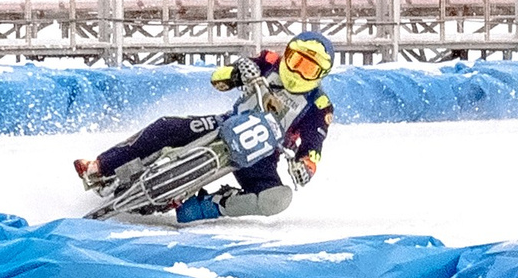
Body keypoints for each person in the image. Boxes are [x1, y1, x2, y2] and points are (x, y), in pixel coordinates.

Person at [75, 31, 337, 221]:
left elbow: (314, 146)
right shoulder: (268, 61)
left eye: (309, 69)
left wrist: (305, 166)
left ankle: (209, 206)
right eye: (296, 61)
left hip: (262, 156)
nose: (298, 71)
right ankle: (101, 167)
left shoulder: (319, 106)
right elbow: (218, 79)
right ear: (286, 54)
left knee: (276, 199)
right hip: (226, 123)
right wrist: (238, 72)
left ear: (321, 75)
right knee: (167, 127)